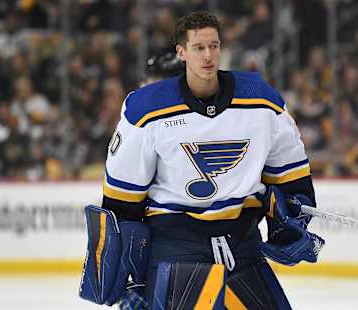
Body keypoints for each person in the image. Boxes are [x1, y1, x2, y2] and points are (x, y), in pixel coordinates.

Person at [79, 11, 325, 310]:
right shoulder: (146, 110)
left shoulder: (262, 101)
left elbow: (292, 181)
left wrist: (290, 218)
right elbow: (122, 203)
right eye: (199, 48)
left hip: (242, 244)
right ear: (181, 52)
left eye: (214, 46)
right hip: (177, 249)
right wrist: (135, 273)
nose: (208, 55)